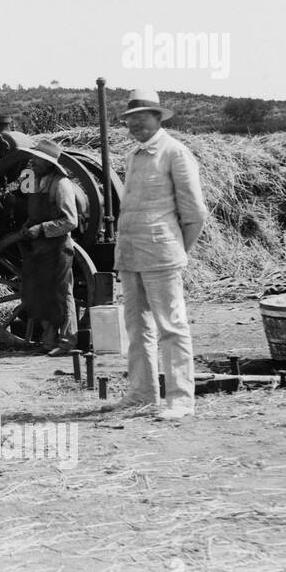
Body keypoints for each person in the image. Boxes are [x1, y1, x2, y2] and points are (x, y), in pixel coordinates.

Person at [114, 89, 208, 420]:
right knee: (137, 329)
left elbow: (195, 213)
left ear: (158, 118)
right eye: (130, 120)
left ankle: (181, 399)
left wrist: (176, 250)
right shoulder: (133, 156)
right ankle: (142, 394)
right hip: (130, 255)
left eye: (142, 118)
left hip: (161, 257)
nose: (135, 124)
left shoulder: (175, 153)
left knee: (172, 327)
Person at [19, 138, 85, 356]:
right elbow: (34, 213)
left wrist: (41, 228)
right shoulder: (38, 182)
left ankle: (67, 342)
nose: (33, 162)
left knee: (61, 294)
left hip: (57, 246)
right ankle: (48, 341)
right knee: (41, 295)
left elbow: (70, 221)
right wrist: (27, 226)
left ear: (48, 163)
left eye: (38, 159)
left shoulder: (61, 184)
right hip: (39, 248)